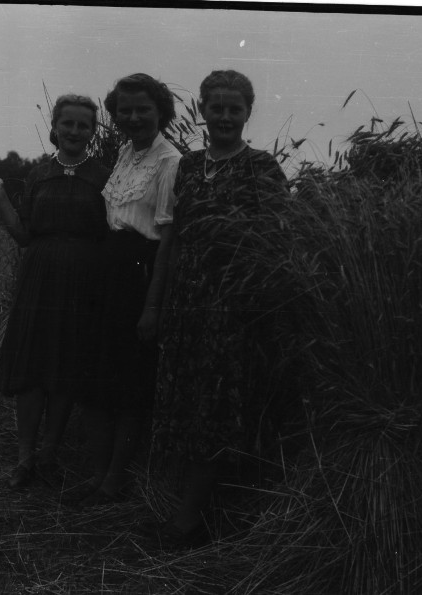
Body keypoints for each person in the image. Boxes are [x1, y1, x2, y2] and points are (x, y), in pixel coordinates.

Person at [146, 70, 292, 547]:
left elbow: (276, 240)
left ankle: (188, 520)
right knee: (187, 406)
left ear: (248, 114)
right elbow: (171, 239)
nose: (225, 116)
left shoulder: (262, 167)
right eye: (217, 107)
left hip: (232, 310)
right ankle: (188, 508)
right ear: (203, 110)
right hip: (187, 305)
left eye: (235, 109)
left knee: (213, 411)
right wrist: (156, 304)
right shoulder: (186, 166)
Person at [0, 94, 110, 489]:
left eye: (83, 125)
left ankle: (50, 453)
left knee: (66, 369)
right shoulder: (37, 175)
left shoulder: (105, 177)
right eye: (67, 123)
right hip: (39, 281)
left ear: (93, 131)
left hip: (83, 282)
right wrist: (0, 197)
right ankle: (25, 459)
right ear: (55, 127)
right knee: (33, 370)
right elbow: (23, 235)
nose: (74, 131)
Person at [66, 73, 181, 508]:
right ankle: (97, 475)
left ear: (161, 113)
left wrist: (153, 306)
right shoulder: (123, 153)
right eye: (125, 111)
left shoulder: (170, 161)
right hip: (107, 274)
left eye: (142, 110)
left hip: (140, 275)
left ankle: (115, 480)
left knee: (129, 385)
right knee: (94, 379)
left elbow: (168, 238)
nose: (133, 118)